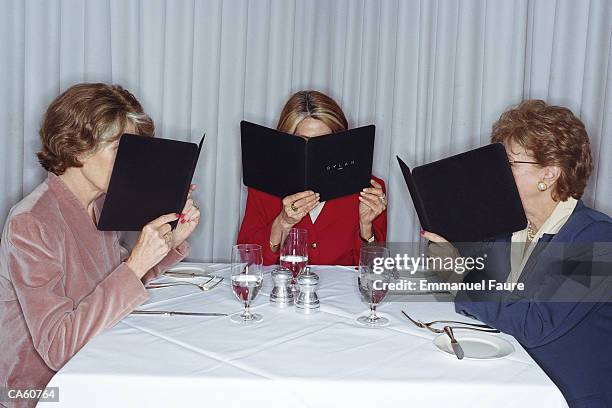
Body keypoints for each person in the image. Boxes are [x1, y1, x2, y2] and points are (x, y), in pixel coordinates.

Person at [0, 83, 201, 408]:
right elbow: (57, 346)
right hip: (43, 392)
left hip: (95, 363)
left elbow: (114, 290)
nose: (132, 164)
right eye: (119, 150)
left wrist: (168, 243)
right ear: (77, 148)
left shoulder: (99, 206)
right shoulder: (31, 222)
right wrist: (136, 263)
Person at [422, 100, 612, 407]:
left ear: (549, 174)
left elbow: (535, 324)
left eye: (509, 163)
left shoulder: (597, 239)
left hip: (566, 393)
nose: (494, 172)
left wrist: (462, 277)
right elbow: (482, 302)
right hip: (513, 374)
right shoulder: (512, 228)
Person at [237, 90, 387, 265]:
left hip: (343, 291)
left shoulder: (369, 189)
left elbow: (376, 272)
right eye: (304, 141)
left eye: (325, 141)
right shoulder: (262, 185)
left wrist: (366, 229)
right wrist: (282, 223)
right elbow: (247, 259)